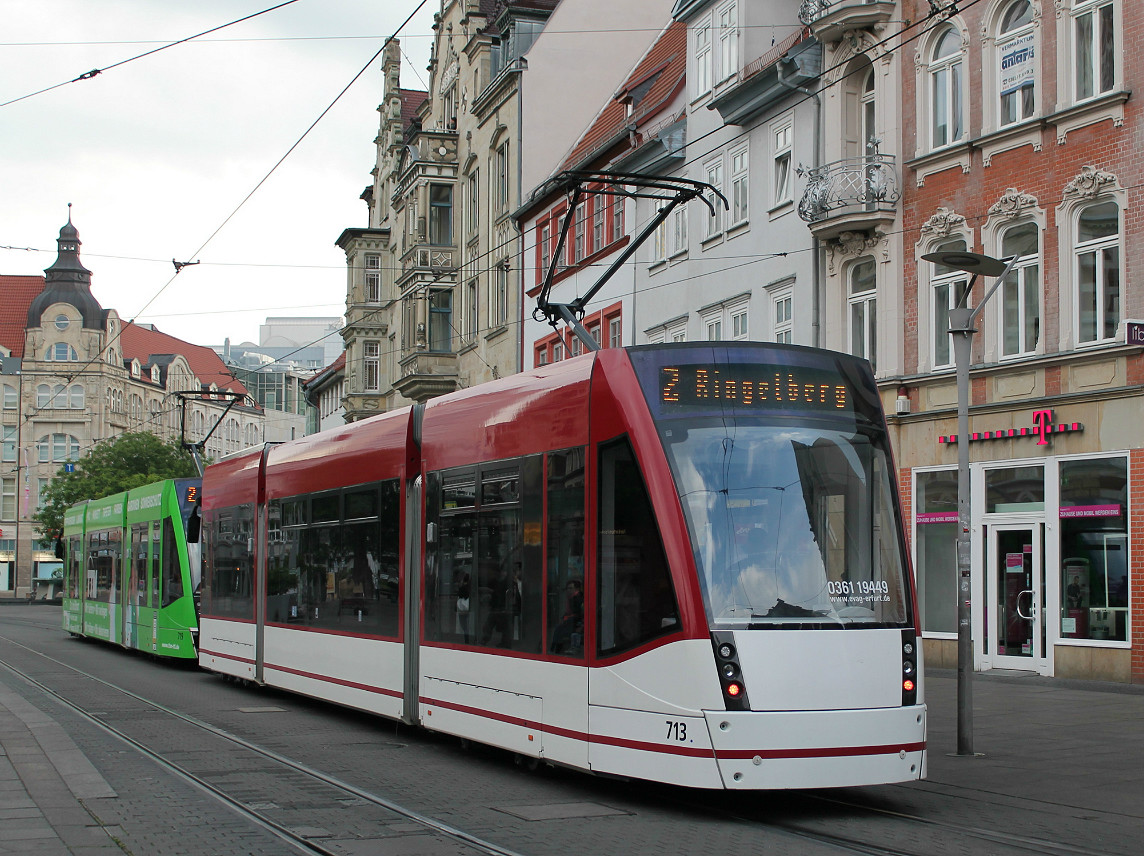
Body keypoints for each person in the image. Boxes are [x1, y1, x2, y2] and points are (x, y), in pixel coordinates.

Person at [550, 578, 584, 654]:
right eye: (568, 588)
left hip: (576, 621)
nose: (569, 590)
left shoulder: (578, 598)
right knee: (558, 629)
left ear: (576, 589)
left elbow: (579, 613)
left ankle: (555, 649)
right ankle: (555, 648)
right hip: (573, 620)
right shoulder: (571, 598)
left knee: (559, 630)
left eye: (571, 588)